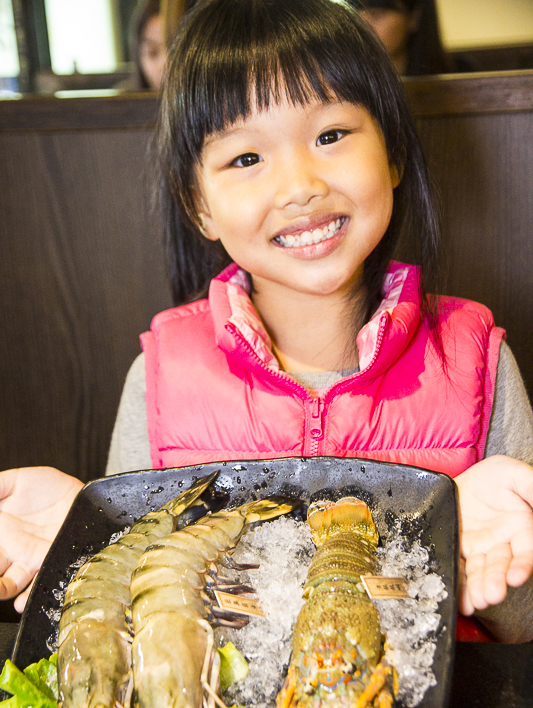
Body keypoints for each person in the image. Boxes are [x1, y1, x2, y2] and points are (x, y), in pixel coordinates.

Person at [1, 0, 533, 642]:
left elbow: (520, 627)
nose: (298, 185)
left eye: (331, 136)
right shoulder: (160, 378)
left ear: (392, 155)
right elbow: (142, 618)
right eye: (246, 158)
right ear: (198, 203)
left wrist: (509, 576)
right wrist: (80, 551)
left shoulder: (475, 359)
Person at [352, 0, 470, 76]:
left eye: (376, 15)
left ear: (414, 17)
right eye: (356, 15)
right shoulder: (348, 78)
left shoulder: (461, 72)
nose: (362, 25)